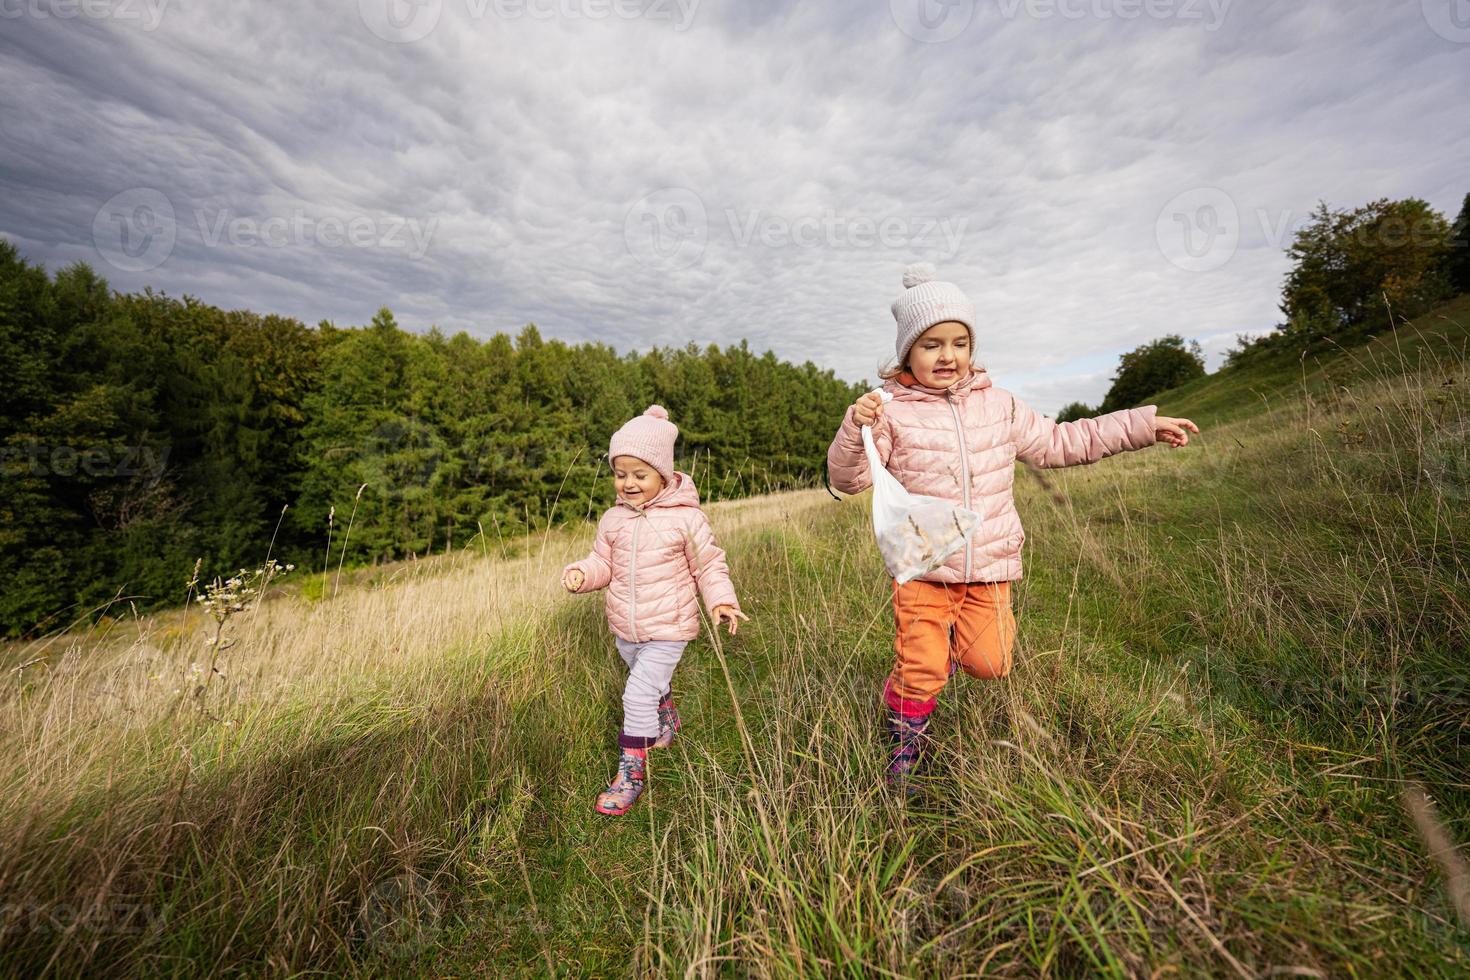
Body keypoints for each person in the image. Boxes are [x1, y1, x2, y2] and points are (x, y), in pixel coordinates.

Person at [827, 264, 1200, 789]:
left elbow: (1061, 442)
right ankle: (907, 740)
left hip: (990, 565)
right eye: (932, 344)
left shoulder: (999, 406)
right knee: (922, 667)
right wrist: (854, 427)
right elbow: (848, 479)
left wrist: (1140, 425)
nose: (947, 355)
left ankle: (935, 669)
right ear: (907, 351)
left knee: (991, 662)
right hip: (925, 568)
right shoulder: (889, 413)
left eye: (959, 342)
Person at [563, 405, 749, 815]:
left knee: (637, 693)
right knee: (645, 681)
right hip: (626, 628)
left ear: (662, 475)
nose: (628, 483)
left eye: (639, 474)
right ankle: (667, 720)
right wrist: (582, 573)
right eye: (620, 473)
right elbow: (603, 564)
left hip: (669, 628)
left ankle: (631, 772)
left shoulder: (686, 519)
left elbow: (709, 565)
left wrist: (720, 600)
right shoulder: (612, 520)